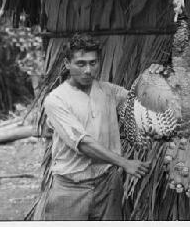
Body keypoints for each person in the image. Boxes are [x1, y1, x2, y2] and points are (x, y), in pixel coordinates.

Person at [35, 33, 156, 220]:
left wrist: (154, 78)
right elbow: (83, 144)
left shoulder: (109, 91)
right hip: (71, 187)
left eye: (93, 63)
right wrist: (124, 162)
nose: (88, 70)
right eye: (81, 64)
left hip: (107, 183)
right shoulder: (57, 99)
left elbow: (140, 100)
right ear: (67, 63)